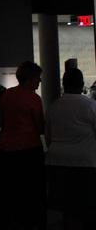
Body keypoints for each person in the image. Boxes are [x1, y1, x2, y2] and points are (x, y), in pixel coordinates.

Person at [0, 61, 46, 230]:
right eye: (38, 78)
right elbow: (40, 127)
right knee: (31, 192)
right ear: (31, 79)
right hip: (29, 149)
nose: (39, 82)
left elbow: (2, 122)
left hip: (6, 149)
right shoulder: (34, 98)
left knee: (11, 191)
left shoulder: (7, 95)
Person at [46, 68, 96, 229]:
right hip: (85, 163)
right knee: (86, 206)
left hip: (57, 162)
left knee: (66, 207)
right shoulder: (90, 105)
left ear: (64, 84)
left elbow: (48, 136)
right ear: (81, 84)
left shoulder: (53, 107)